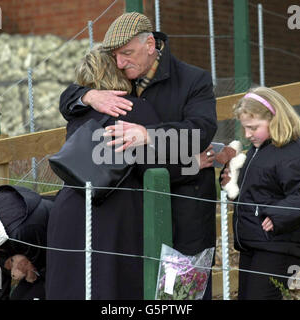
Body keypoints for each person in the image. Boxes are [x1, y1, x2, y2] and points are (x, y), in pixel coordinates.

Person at [56, 12, 218, 299]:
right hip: (137, 209)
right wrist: (88, 96)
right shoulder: (118, 85)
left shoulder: (195, 80)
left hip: (185, 208)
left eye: (127, 54)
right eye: (115, 57)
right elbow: (70, 97)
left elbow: (201, 132)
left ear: (151, 44)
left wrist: (148, 135)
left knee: (181, 295)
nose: (120, 63)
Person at [221, 86, 300, 300]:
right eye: (245, 129)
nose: (248, 135)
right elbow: (258, 192)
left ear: (275, 119)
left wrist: (278, 215)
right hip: (255, 241)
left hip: (281, 244)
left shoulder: (296, 155)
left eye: (253, 127)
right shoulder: (259, 150)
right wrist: (231, 183)